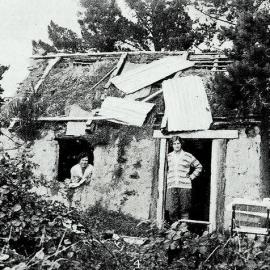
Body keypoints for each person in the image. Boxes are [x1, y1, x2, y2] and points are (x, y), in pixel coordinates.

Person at [165, 136, 202, 223]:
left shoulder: (188, 156)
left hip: (185, 186)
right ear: (171, 145)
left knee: (184, 209)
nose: (176, 145)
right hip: (172, 185)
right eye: (174, 143)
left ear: (181, 144)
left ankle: (183, 229)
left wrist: (192, 176)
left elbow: (199, 166)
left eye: (178, 143)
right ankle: (174, 229)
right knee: (172, 209)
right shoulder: (168, 156)